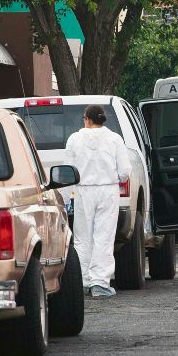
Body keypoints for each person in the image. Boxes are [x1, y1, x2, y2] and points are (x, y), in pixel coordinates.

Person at [65, 105, 132, 298]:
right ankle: (100, 283)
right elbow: (125, 171)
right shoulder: (114, 139)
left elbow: (68, 170)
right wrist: (115, 178)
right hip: (108, 190)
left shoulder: (74, 139)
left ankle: (83, 281)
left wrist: (66, 195)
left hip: (83, 191)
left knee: (82, 237)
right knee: (104, 236)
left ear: (87, 119)